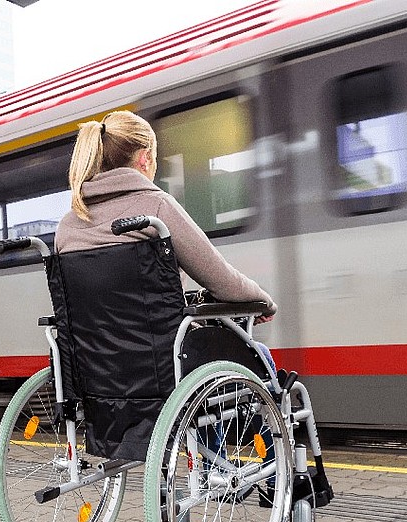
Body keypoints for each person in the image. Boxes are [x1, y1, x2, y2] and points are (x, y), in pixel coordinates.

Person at [55, 110, 277, 371]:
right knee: (259, 355)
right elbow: (221, 279)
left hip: (96, 373)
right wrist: (264, 302)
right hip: (163, 367)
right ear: (145, 158)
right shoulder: (156, 208)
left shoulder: (67, 227)